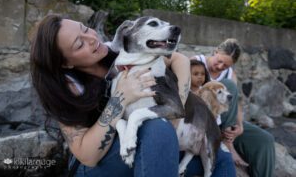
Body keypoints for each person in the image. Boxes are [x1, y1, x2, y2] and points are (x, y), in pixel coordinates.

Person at [30, 14, 235, 177]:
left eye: (85, 29)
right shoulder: (65, 88)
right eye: (79, 44)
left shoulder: (115, 52)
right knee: (156, 128)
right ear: (66, 63)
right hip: (97, 165)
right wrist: (120, 98)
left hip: (143, 145)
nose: (92, 39)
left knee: (222, 158)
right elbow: (88, 155)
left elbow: (178, 59)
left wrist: (178, 103)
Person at [191, 38, 275, 177]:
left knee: (265, 140)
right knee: (228, 85)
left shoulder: (230, 74)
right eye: (219, 61)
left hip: (224, 121)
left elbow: (235, 103)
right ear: (216, 51)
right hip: (202, 120)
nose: (220, 66)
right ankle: (227, 143)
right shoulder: (196, 62)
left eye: (225, 66)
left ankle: (228, 137)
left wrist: (240, 126)